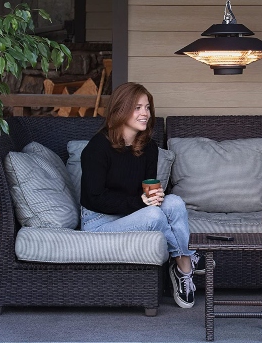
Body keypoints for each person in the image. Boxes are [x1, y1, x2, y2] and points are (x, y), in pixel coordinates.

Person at [80, 82, 199, 309]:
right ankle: (184, 262)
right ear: (119, 109)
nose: (145, 113)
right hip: (98, 221)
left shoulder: (149, 147)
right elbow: (93, 198)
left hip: (132, 212)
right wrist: (142, 203)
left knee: (174, 202)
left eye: (147, 107)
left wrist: (154, 197)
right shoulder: (97, 148)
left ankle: (182, 262)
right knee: (154, 216)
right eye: (137, 108)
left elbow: (146, 188)